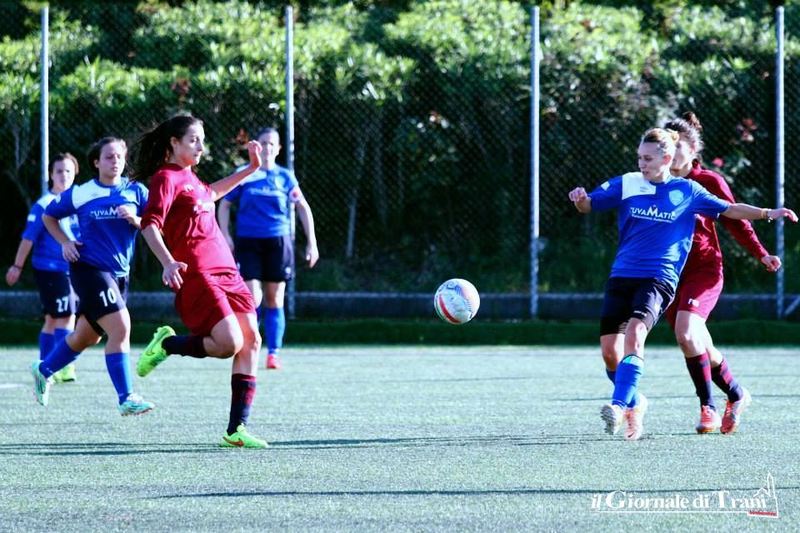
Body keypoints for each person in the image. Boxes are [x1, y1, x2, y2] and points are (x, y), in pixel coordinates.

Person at [568, 127, 797, 441]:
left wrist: (769, 212)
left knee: (637, 332)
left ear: (666, 158)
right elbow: (589, 205)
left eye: (648, 158)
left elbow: (730, 210)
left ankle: (620, 406)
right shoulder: (627, 183)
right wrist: (580, 200)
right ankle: (635, 402)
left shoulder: (688, 190)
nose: (642, 163)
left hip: (659, 278)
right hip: (622, 275)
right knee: (610, 352)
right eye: (639, 157)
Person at [132, 114, 267, 448]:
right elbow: (149, 224)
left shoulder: (191, 178)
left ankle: (236, 430)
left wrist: (251, 169)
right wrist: (167, 262)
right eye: (193, 140)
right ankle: (168, 345)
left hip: (227, 270)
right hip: (198, 273)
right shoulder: (165, 177)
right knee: (229, 343)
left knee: (251, 341)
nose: (200, 147)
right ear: (173, 143)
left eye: (202, 140)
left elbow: (212, 193)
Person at [663, 112, 778, 435]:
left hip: (704, 269)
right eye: (667, 144)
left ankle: (708, 407)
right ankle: (737, 394)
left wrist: (761, 253)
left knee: (687, 333)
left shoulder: (708, 181)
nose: (670, 151)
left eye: (677, 145)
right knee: (698, 343)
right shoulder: (655, 181)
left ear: (693, 150)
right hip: (668, 273)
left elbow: (734, 219)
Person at [33, 137, 155, 416]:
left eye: (119, 156)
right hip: (89, 269)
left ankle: (44, 369)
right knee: (121, 327)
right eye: (109, 157)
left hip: (119, 274)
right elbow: (49, 216)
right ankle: (126, 398)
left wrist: (137, 220)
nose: (115, 161)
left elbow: (156, 223)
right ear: (96, 162)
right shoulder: (82, 192)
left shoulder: (136, 190)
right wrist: (65, 242)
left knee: (86, 337)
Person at [218, 127, 319, 370]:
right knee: (252, 297)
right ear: (255, 146)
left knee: (274, 298)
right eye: (263, 143)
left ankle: (273, 352)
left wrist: (312, 243)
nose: (267, 148)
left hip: (278, 242)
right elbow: (224, 204)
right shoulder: (244, 174)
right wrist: (225, 236)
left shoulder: (285, 177)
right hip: (248, 242)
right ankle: (250, 344)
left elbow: (303, 207)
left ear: (279, 149)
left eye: (272, 144)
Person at [7, 153, 80, 383]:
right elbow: (28, 238)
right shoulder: (44, 204)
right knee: (66, 316)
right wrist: (17, 266)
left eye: (68, 171)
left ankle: (44, 365)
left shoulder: (78, 201)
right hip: (52, 269)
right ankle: (63, 366)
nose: (64, 175)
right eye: (59, 171)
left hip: (72, 269)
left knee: (52, 318)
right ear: (51, 175)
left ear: (75, 174)